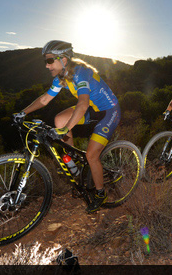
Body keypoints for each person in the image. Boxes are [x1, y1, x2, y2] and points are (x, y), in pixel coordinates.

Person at [14, 40, 120, 213]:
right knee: (59, 120)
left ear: (63, 59)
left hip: (108, 112)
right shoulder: (61, 78)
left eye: (49, 61)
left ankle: (101, 194)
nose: (47, 66)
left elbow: (83, 103)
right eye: (45, 62)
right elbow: (44, 99)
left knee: (92, 155)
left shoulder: (81, 73)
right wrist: (23, 112)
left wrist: (66, 129)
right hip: (92, 110)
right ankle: (74, 161)